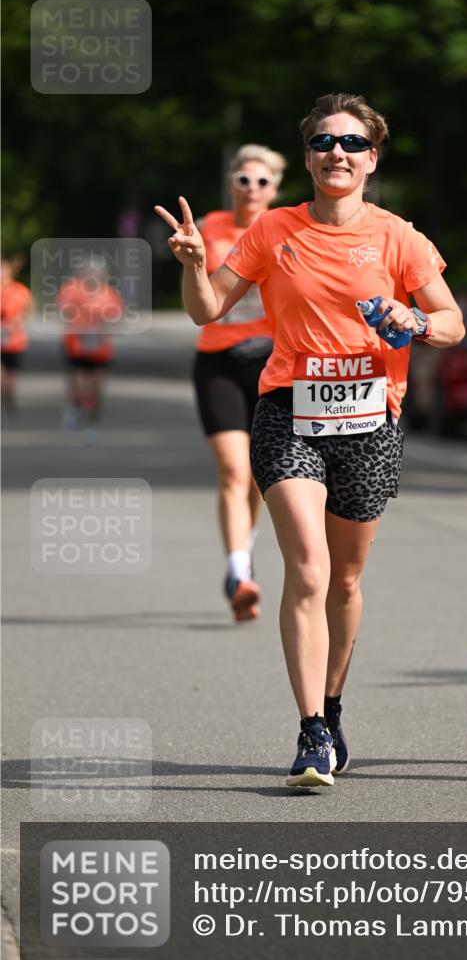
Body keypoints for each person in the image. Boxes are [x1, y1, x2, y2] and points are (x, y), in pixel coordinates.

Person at [156, 93, 464, 788]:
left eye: (352, 143)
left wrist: (411, 318)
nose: (337, 153)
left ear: (371, 158)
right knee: (310, 568)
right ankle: (310, 732)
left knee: (347, 580)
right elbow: (208, 310)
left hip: (369, 423)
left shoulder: (397, 237)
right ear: (307, 156)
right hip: (287, 411)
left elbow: (450, 324)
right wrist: (192, 262)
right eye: (324, 141)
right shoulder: (272, 230)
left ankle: (331, 704)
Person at [191, 145, 286, 623]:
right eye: (245, 180)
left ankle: (242, 555)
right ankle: (238, 573)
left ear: (276, 188)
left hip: (273, 365)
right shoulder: (207, 228)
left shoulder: (287, 230)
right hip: (220, 363)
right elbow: (201, 294)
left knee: (259, 476)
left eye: (263, 182)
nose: (253, 189)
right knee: (234, 469)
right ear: (232, 184)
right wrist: (191, 263)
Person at [58, 257, 124, 442]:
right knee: (79, 385)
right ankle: (75, 407)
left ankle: (91, 424)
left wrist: (104, 326)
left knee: (96, 389)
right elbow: (64, 311)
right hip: (77, 344)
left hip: (100, 347)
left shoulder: (110, 294)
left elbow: (117, 318)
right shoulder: (72, 289)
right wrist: (81, 327)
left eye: (98, 273)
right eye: (90, 272)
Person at [1, 257, 31, 414]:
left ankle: (8, 398)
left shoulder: (19, 290)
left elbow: (28, 310)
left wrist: (18, 320)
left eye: (3, 270)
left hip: (12, 340)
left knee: (9, 375)